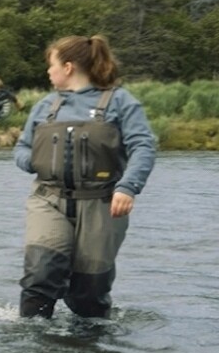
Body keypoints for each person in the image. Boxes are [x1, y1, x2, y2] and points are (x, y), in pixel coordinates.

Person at [13, 34, 156, 319]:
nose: (47, 72)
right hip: (48, 200)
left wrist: (128, 188)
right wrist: (37, 162)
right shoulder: (45, 106)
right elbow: (21, 149)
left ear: (68, 67)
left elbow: (144, 146)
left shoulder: (121, 102)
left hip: (102, 203)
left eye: (50, 65)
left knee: (88, 293)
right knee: (40, 275)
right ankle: (30, 347)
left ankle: (89, 347)